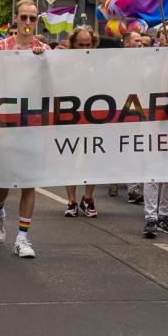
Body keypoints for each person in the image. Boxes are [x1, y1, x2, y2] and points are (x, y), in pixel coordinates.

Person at [0, 0, 48, 258]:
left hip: (33, 122)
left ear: (37, 21)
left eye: (32, 18)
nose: (27, 23)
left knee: (29, 180)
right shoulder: (1, 47)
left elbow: (52, 86)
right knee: (4, 179)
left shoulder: (44, 50)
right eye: (23, 17)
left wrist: (43, 63)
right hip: (5, 121)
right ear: (15, 18)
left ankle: (23, 238)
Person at [63, 24, 101, 219]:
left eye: (88, 44)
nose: (85, 47)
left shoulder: (99, 64)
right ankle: (71, 200)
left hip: (93, 118)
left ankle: (88, 198)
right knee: (69, 156)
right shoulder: (63, 63)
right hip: (70, 117)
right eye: (80, 44)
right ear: (73, 44)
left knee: (92, 156)